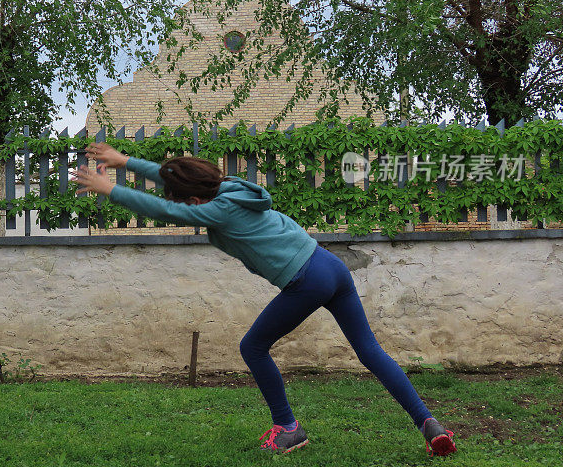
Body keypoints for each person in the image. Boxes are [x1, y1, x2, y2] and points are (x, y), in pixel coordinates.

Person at [73, 143, 457, 457]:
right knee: (370, 351)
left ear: (195, 198)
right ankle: (428, 424)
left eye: (187, 201)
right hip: (329, 265)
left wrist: (113, 189)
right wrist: (124, 162)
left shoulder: (217, 209)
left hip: (305, 280)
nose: (189, 207)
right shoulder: (228, 187)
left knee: (253, 346)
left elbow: (167, 208)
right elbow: (183, 180)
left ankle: (288, 427)